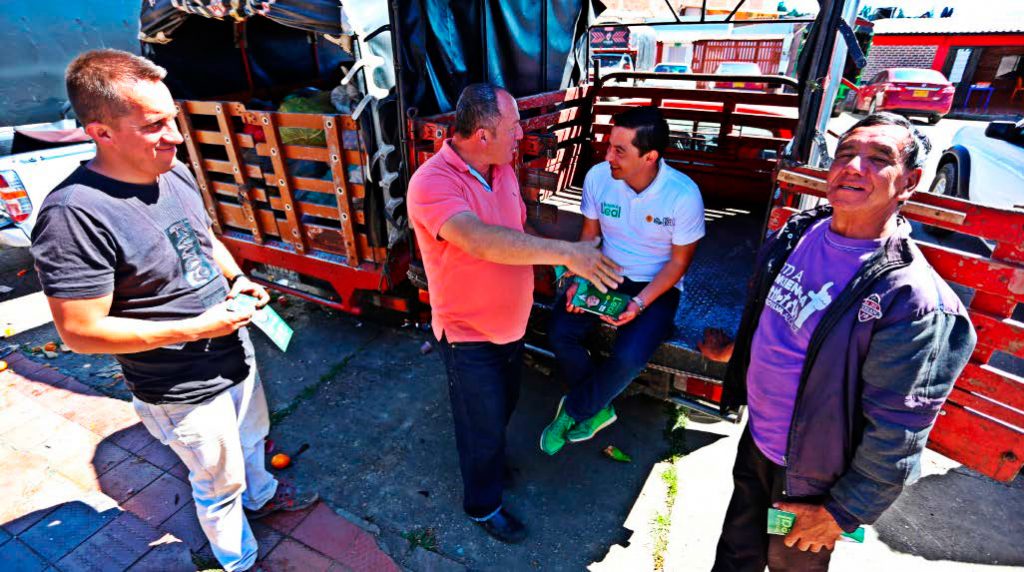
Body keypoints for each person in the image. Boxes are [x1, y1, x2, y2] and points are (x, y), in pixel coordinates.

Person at [30, 49, 317, 572]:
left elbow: (200, 236)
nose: (176, 136)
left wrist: (236, 278)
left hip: (233, 348)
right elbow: (80, 331)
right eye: (154, 125)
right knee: (216, 480)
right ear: (102, 132)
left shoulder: (172, 171)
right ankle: (238, 560)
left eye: (174, 119)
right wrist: (196, 327)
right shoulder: (73, 215)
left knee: (253, 438)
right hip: (178, 385)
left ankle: (264, 496)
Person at [707, 112, 977, 571]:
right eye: (846, 154)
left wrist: (842, 513)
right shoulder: (799, 233)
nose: (854, 167)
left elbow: (898, 428)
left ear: (909, 183)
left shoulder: (911, 298)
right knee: (735, 554)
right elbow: (781, 321)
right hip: (760, 442)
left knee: (791, 567)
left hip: (814, 476)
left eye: (878, 159)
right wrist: (736, 351)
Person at [406, 83, 623, 544]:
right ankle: (483, 506)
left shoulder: (500, 169)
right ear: (482, 135)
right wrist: (567, 253)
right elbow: (480, 239)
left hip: (511, 326)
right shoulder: (432, 183)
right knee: (478, 422)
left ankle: (491, 463)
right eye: (513, 126)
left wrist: (570, 261)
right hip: (468, 335)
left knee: (502, 409)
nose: (521, 134)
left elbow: (516, 229)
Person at [539, 106, 704, 455]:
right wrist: (578, 276)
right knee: (559, 331)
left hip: (656, 286)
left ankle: (574, 410)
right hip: (604, 271)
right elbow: (589, 237)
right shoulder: (599, 178)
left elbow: (678, 264)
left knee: (629, 356)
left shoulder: (683, 195)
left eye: (619, 150)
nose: (607, 155)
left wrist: (639, 303)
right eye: (609, 145)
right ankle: (601, 407)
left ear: (650, 156)